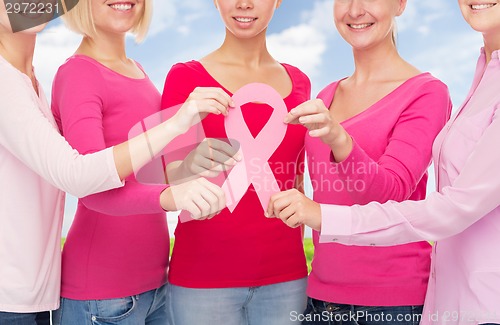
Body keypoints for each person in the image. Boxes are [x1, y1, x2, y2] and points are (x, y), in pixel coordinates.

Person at [268, 0, 500, 324]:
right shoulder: (325, 95)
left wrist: (340, 140)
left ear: (401, 4)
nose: (355, 9)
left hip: (391, 304)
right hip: (320, 297)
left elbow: (391, 193)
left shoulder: (427, 92)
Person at [0, 1, 230, 324]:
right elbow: (84, 178)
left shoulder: (32, 81)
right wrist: (174, 131)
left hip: (141, 283)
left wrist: (191, 166)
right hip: (93, 293)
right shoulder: (66, 74)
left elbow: (139, 173)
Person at [161, 0, 311, 324]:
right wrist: (191, 165)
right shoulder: (185, 78)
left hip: (286, 276)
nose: (244, 3)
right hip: (202, 280)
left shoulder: (300, 83)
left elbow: (297, 178)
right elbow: (168, 176)